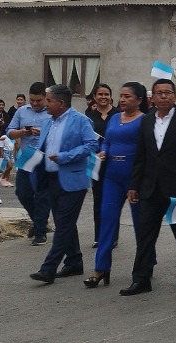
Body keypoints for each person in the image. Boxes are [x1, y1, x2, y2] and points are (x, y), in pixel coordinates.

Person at [120, 78, 176, 295]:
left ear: (175, 96)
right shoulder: (146, 121)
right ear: (153, 97)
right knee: (145, 234)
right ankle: (141, 279)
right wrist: (134, 185)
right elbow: (141, 156)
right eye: (159, 93)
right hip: (150, 188)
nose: (163, 96)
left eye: (168, 92)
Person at [28, 85, 100, 284]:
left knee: (64, 225)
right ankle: (74, 262)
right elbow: (42, 147)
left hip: (73, 180)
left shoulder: (81, 121)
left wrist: (65, 156)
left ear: (60, 103)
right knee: (63, 223)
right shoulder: (47, 122)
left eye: (49, 100)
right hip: (51, 179)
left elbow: (92, 145)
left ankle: (48, 269)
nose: (46, 104)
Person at [87, 82, 147, 288]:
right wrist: (103, 150)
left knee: (141, 225)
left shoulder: (145, 121)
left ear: (139, 100)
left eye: (127, 96)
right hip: (111, 177)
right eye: (121, 96)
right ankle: (101, 268)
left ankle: (147, 263)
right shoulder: (114, 118)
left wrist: (138, 182)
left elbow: (146, 150)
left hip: (134, 178)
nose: (122, 100)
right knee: (107, 221)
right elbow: (107, 141)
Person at [8, 83, 52, 245]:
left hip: (45, 157)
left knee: (42, 195)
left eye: (38, 100)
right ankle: (39, 221)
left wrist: (43, 133)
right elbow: (10, 132)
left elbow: (60, 135)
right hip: (27, 156)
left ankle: (40, 232)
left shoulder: (51, 112)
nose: (34, 103)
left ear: (45, 98)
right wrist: (22, 132)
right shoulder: (21, 111)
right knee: (22, 192)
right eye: (32, 100)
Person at [85, 83, 116, 243]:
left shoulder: (118, 114)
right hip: (95, 163)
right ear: (94, 97)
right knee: (98, 200)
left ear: (110, 96)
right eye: (100, 94)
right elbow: (85, 139)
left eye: (106, 94)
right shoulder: (88, 117)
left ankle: (113, 236)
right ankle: (99, 236)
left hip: (115, 163)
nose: (103, 97)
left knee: (113, 201)